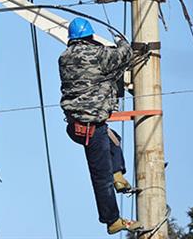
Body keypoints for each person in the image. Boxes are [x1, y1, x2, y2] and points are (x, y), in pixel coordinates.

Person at [58, 18, 142, 235]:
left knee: (113, 139)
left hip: (76, 126)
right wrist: (121, 41)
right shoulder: (98, 54)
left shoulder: (64, 58)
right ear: (90, 37)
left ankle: (118, 175)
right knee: (100, 177)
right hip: (90, 128)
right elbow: (124, 54)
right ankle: (112, 220)